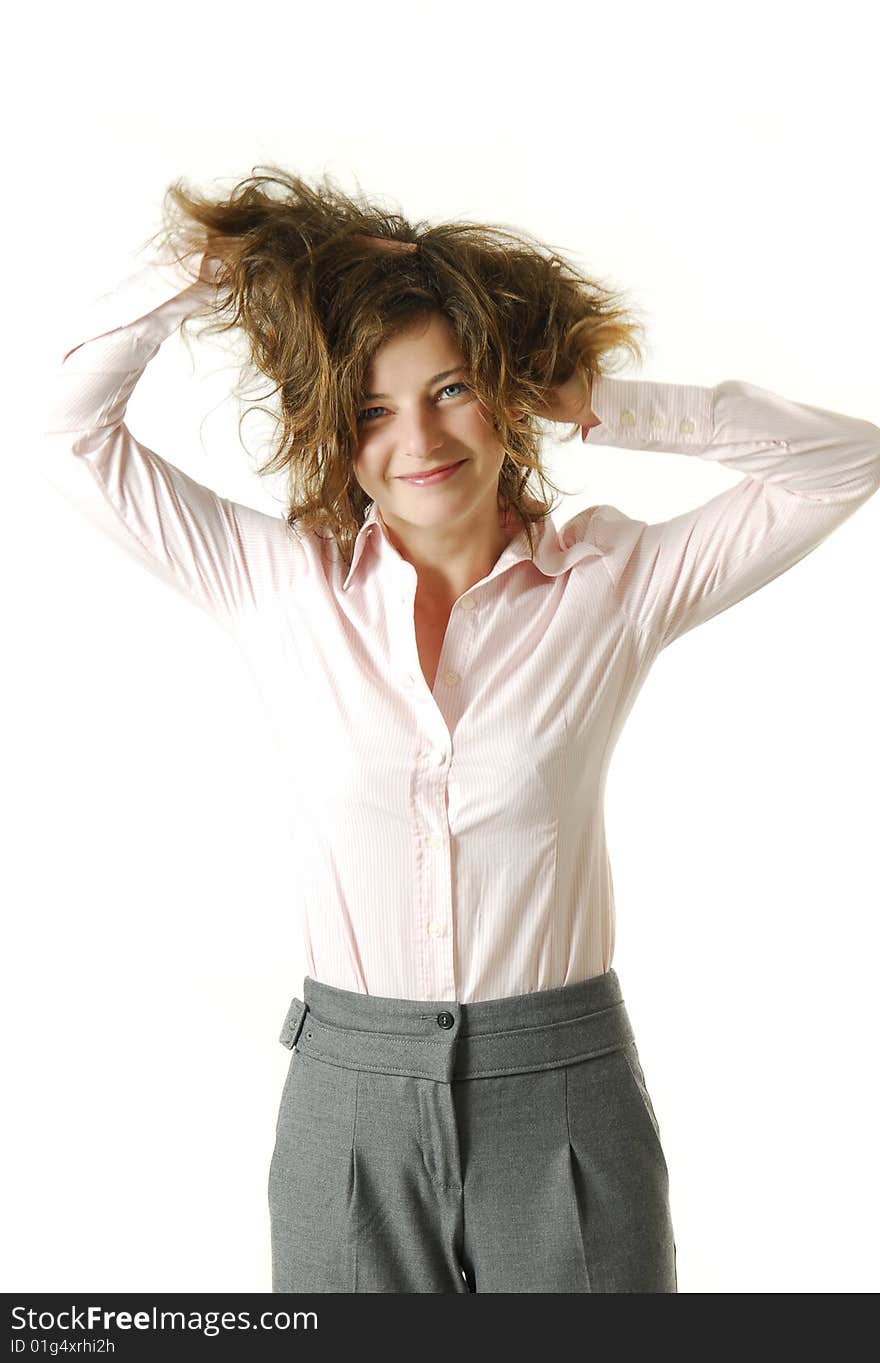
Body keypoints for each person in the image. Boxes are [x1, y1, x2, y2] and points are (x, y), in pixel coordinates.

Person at [41, 166, 880, 1293]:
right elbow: (69, 431)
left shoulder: (612, 583)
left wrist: (593, 399)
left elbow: (848, 460)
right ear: (334, 436)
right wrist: (223, 261)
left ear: (501, 394)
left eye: (450, 389)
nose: (418, 439)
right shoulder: (274, 585)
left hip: (566, 1096)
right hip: (348, 1106)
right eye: (373, 410)